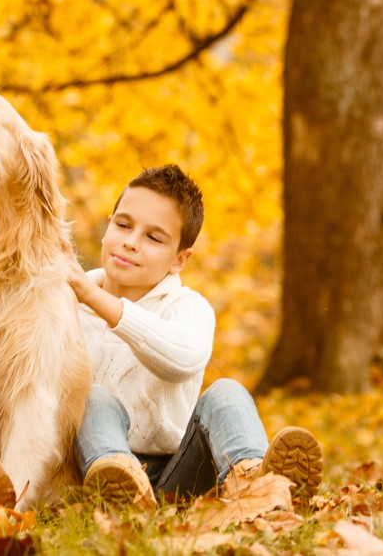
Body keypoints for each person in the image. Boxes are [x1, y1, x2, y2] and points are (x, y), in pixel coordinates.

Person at [64, 164, 325, 506]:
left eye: (153, 237)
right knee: (94, 398)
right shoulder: (65, 303)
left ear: (179, 260)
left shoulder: (188, 307)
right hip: (92, 466)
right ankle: (121, 489)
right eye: (123, 225)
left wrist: (95, 298)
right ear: (108, 225)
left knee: (227, 393)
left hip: (179, 474)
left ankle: (255, 482)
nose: (130, 243)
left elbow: (181, 359)